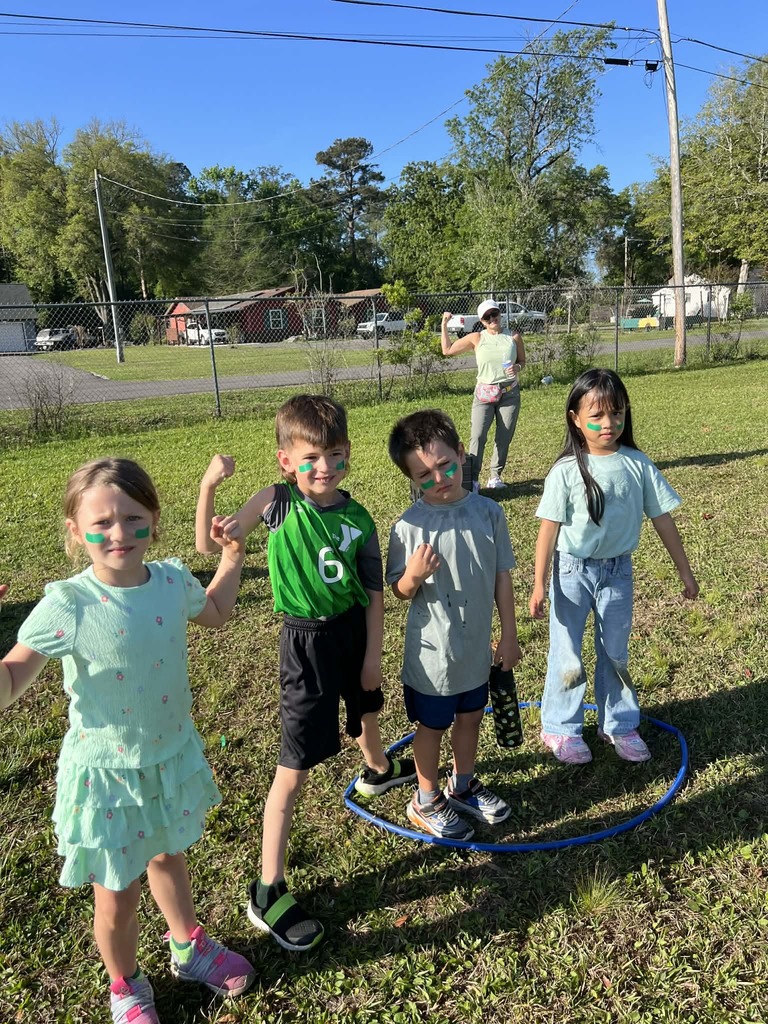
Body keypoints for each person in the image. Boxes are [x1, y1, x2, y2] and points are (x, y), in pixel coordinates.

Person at [0, 458, 254, 1024]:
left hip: (165, 759)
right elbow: (13, 678)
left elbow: (214, 613)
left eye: (134, 518)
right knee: (116, 895)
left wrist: (233, 558)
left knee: (169, 856)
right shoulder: (70, 602)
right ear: (75, 530)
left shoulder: (168, 580)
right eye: (103, 522)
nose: (119, 533)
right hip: (105, 777)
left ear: (154, 521)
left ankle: (188, 947)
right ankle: (126, 985)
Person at [196, 394, 415, 952]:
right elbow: (213, 545)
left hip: (351, 633)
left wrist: (371, 656)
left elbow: (371, 592)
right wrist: (208, 490)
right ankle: (268, 890)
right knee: (292, 767)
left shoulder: (360, 516)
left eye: (335, 454)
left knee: (367, 705)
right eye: (311, 457)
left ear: (348, 453)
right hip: (305, 643)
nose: (324, 467)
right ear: (285, 461)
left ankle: (378, 769)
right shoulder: (276, 502)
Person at [529, 369, 699, 765]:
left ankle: (620, 725)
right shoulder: (566, 470)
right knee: (567, 651)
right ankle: (561, 728)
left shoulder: (638, 465)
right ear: (575, 418)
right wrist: (539, 583)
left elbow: (662, 520)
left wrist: (685, 571)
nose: (609, 424)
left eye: (617, 414)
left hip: (618, 573)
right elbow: (548, 530)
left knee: (615, 652)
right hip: (571, 572)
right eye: (597, 416)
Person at [386, 409, 522, 841]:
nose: (439, 477)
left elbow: (502, 577)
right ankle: (425, 799)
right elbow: (398, 591)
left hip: (474, 651)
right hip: (432, 657)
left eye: (445, 464)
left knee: (471, 719)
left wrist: (511, 634)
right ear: (410, 478)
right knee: (431, 728)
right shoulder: (408, 526)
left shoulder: (489, 514)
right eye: (423, 474)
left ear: (462, 454)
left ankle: (462, 786)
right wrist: (413, 576)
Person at [440, 300, 527, 491]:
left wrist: (517, 367)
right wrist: (444, 325)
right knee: (478, 436)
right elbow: (447, 350)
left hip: (509, 393)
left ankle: (495, 476)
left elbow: (522, 361)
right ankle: (473, 479)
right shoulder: (477, 337)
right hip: (484, 395)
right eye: (487, 317)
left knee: (504, 437)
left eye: (494, 314)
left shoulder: (513, 336)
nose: (492, 319)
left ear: (499, 314)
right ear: (482, 321)